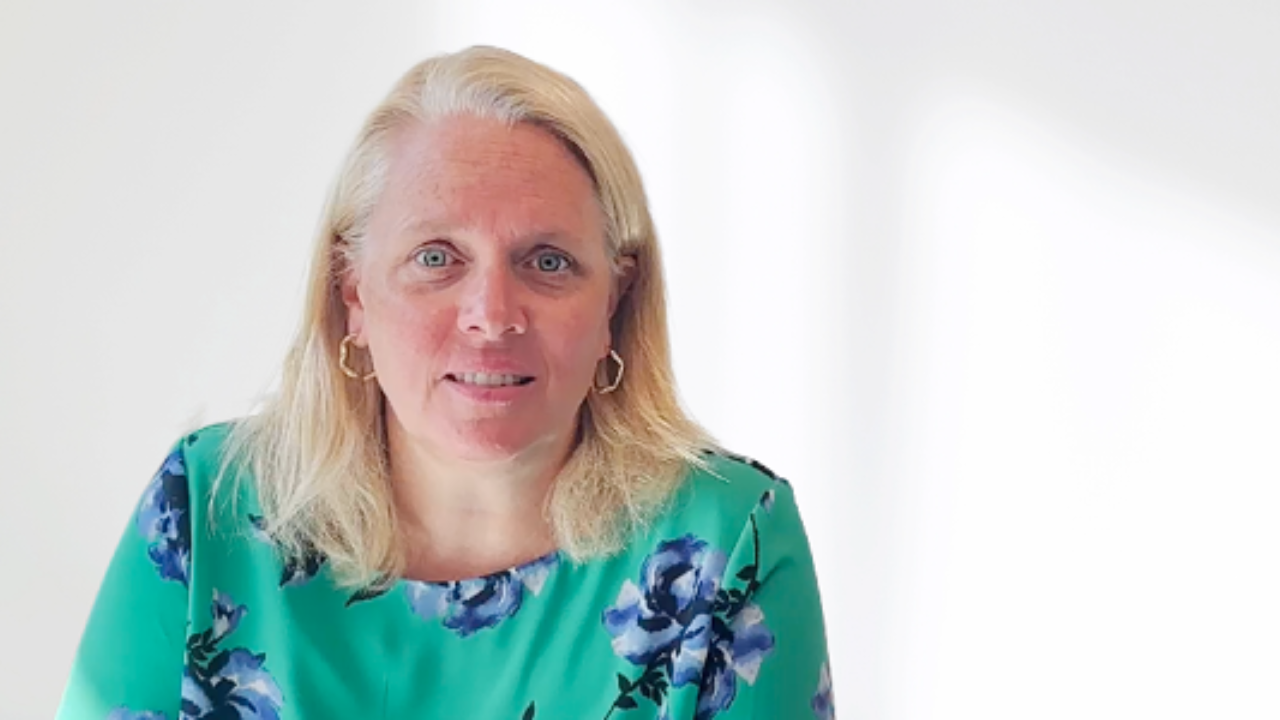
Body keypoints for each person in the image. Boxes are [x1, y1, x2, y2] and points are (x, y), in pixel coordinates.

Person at [58, 46, 834, 720]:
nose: (492, 316)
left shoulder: (732, 536)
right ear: (353, 294)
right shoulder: (208, 507)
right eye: (437, 257)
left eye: (548, 262)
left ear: (615, 305)